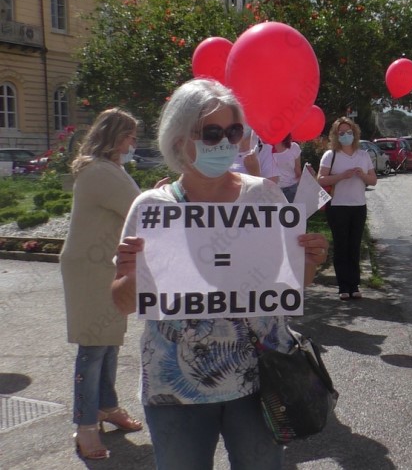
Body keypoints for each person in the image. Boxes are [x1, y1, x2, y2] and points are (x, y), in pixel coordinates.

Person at [110, 79, 329, 469]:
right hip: (176, 392)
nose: (225, 142)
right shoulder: (152, 209)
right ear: (179, 140)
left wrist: (310, 259)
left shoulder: (265, 197)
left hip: (261, 380)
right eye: (212, 133)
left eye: (233, 131)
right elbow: (123, 302)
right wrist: (134, 273)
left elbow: (292, 284)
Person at [61, 108, 144, 459]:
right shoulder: (100, 172)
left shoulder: (108, 168)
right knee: (94, 346)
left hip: (101, 265)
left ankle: (106, 406)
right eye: (129, 136)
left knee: (108, 341)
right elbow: (139, 210)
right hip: (91, 269)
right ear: (114, 136)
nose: (133, 142)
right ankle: (85, 426)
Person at [317, 117, 377, 300]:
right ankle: (343, 286)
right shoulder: (330, 155)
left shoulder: (363, 155)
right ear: (336, 135)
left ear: (355, 133)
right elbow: (320, 180)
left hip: (358, 206)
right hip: (337, 207)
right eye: (341, 133)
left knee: (354, 246)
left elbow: (373, 180)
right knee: (341, 246)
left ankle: (354, 285)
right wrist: (341, 176)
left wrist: (362, 175)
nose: (345, 136)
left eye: (349, 132)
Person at [271, 133, 302, 202]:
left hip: (291, 190)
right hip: (271, 191)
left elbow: (298, 172)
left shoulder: (294, 147)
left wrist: (307, 176)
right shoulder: (265, 148)